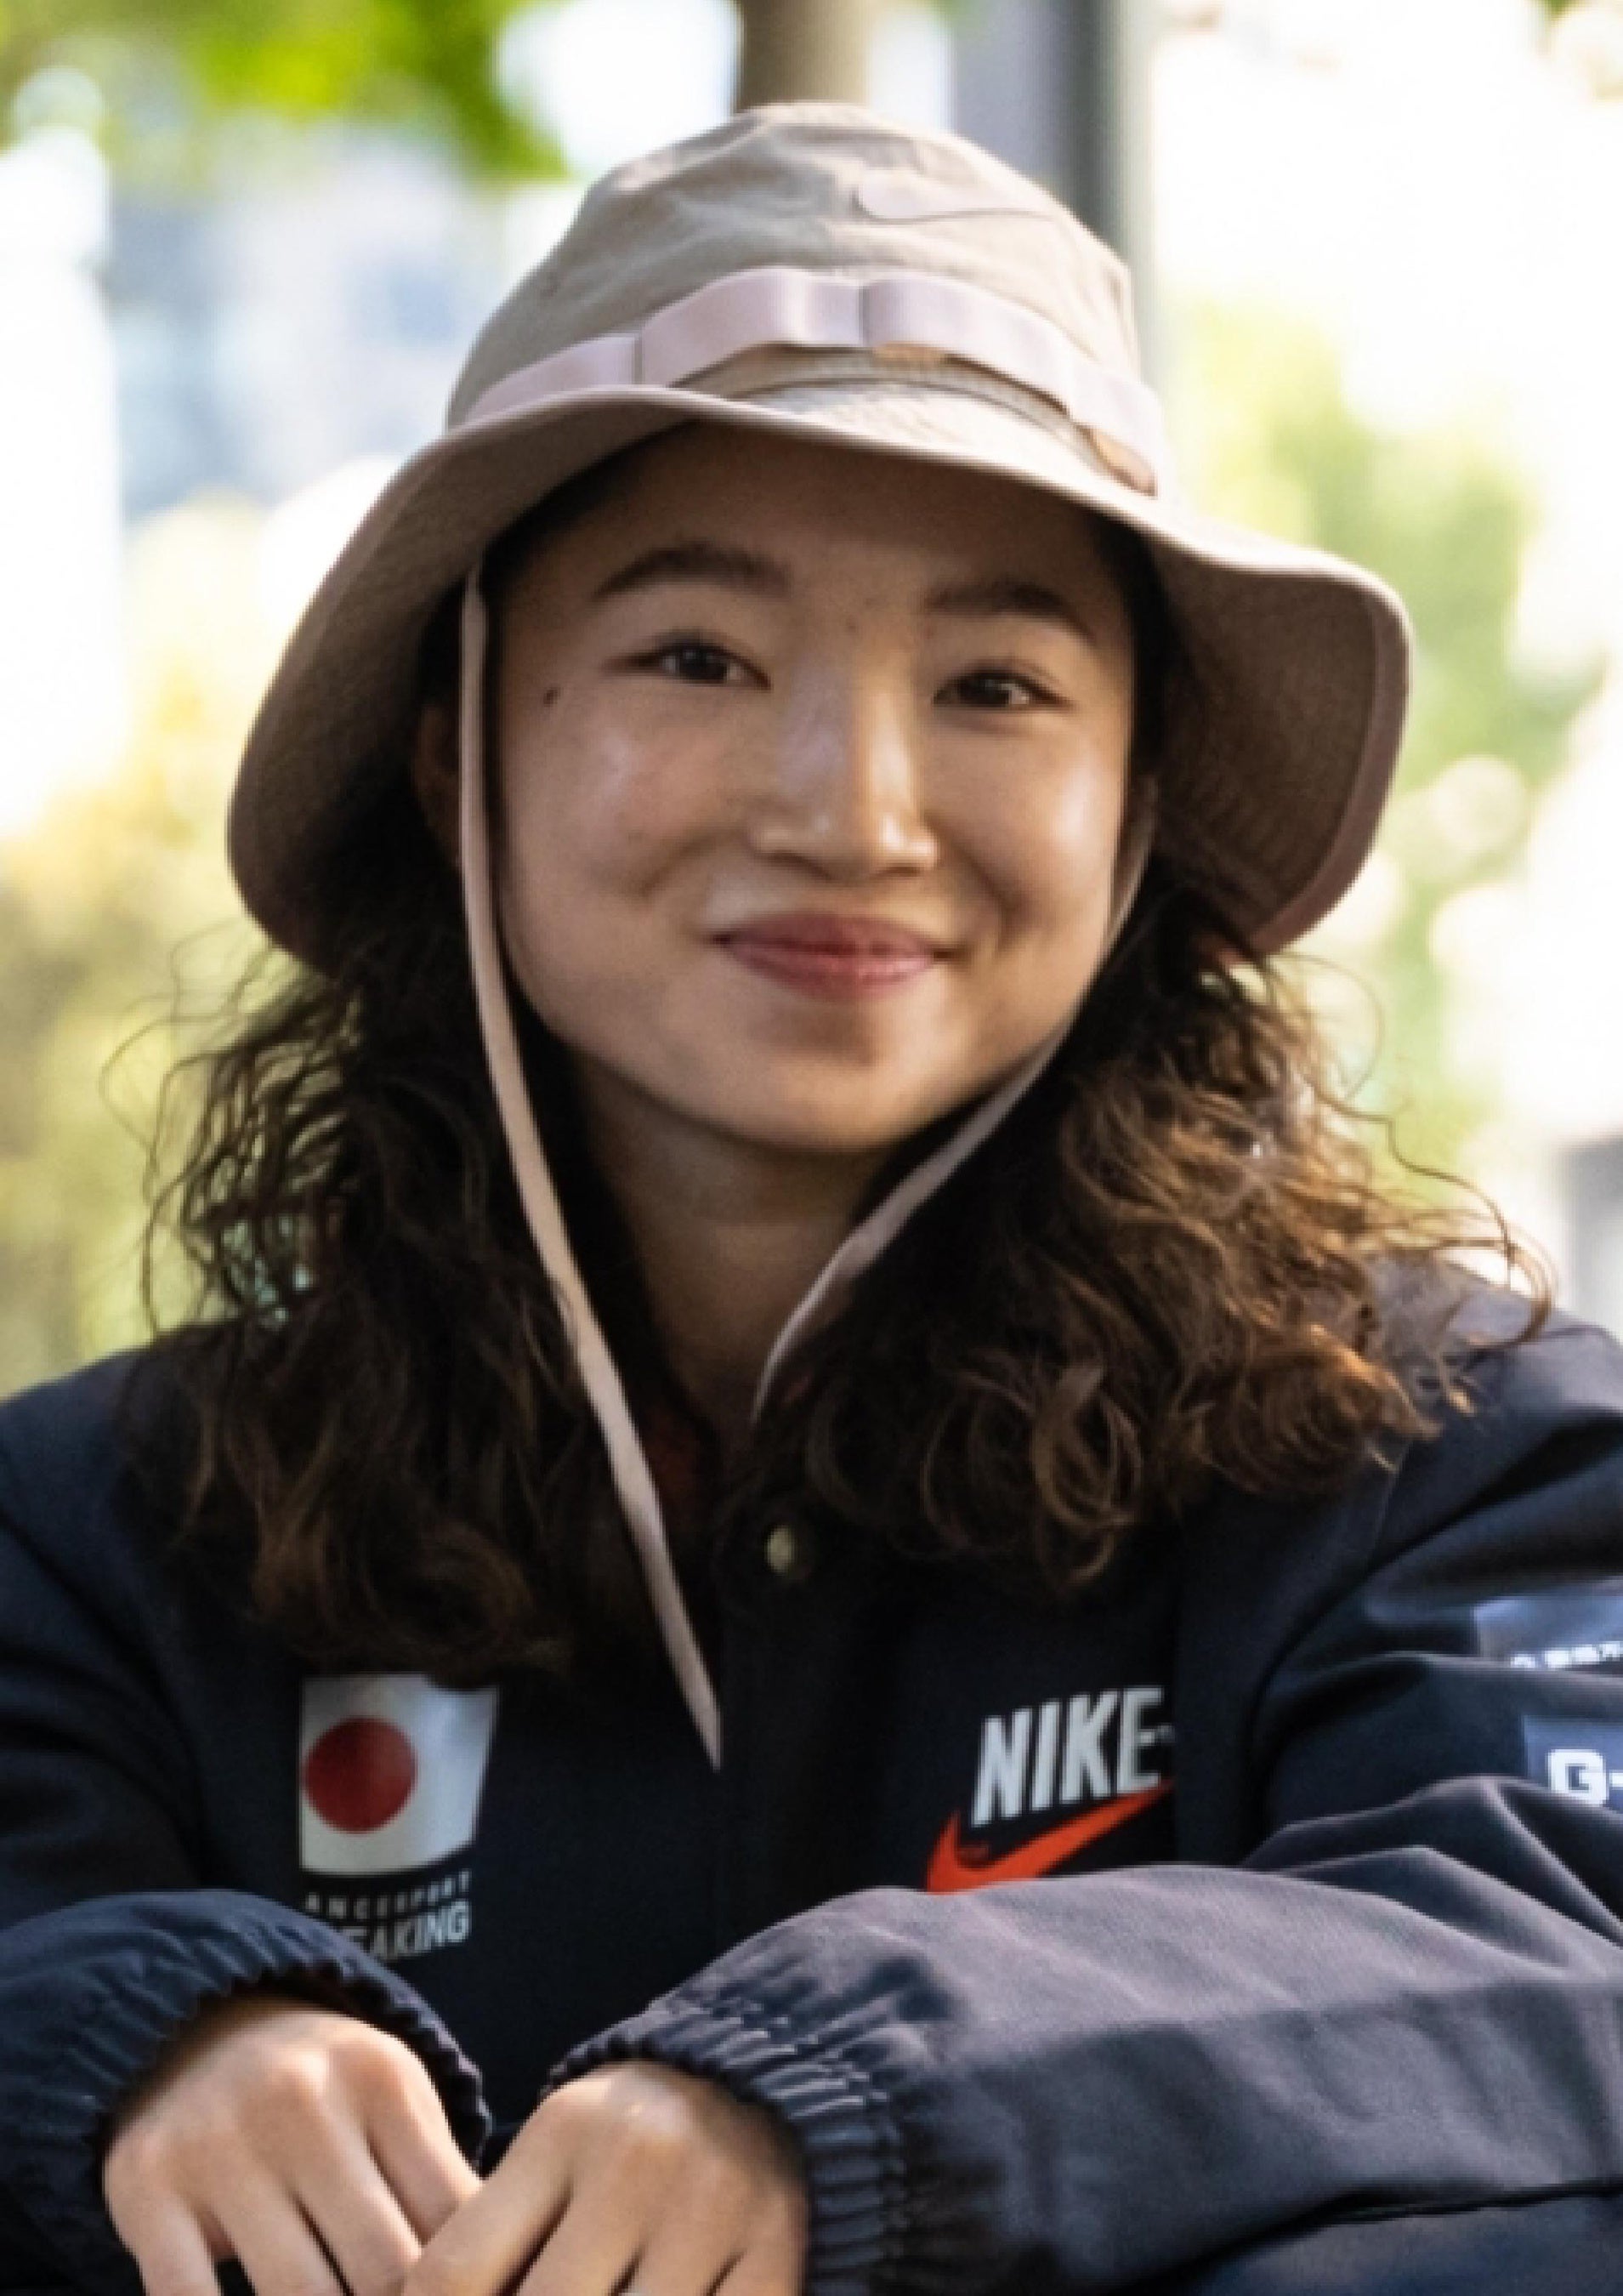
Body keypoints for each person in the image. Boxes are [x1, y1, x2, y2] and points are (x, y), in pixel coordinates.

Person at [2, 102, 1623, 2296]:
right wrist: (131, 2037)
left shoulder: (1447, 1459)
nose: (853, 812)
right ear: (457, 746)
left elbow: (1559, 1947)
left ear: (1138, 803)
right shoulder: (99, 1536)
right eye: (698, 656)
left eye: (995, 686)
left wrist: (858, 2094)